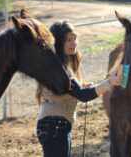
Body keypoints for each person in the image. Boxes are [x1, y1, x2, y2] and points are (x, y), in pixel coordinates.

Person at [36, 20, 122, 157]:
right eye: (69, 39)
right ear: (58, 42)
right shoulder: (60, 68)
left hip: (55, 126)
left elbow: (74, 90)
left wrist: (80, 86)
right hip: (55, 127)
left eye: (75, 38)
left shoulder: (60, 65)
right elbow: (83, 95)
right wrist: (109, 83)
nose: (74, 43)